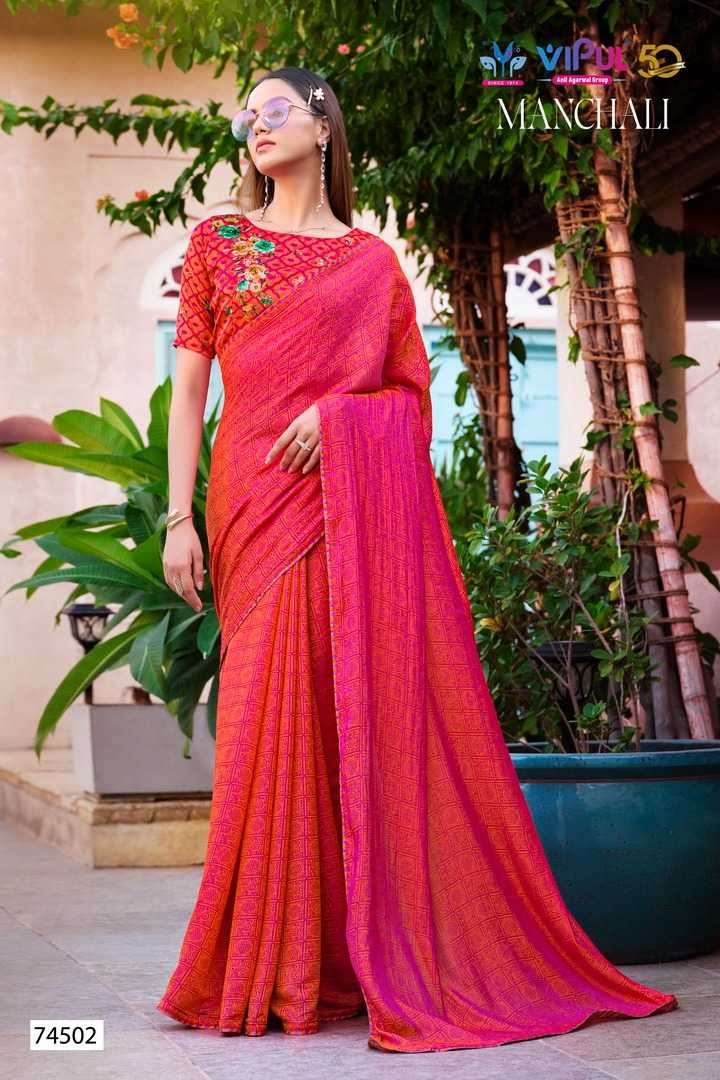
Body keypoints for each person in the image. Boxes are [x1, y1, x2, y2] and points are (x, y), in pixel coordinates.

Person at [155, 66, 677, 1053]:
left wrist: (339, 418)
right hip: (252, 506)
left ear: (323, 125)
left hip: (335, 500)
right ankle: (269, 961)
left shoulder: (372, 267)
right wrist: (178, 517)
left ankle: (339, 959)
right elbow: (190, 392)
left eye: (276, 107)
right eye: (246, 113)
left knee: (340, 716)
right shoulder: (218, 244)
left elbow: (406, 398)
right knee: (265, 719)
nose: (256, 123)